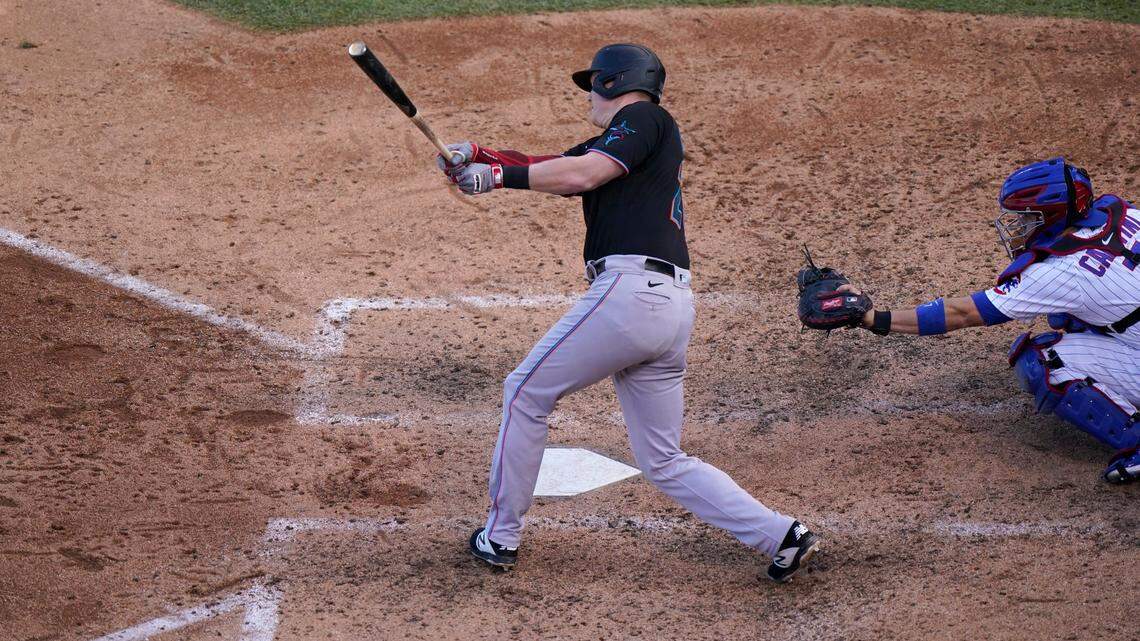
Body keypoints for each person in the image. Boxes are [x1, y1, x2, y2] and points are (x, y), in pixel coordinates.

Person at [436, 43, 819, 582]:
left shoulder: (645, 118)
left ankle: (500, 536)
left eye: (592, 84)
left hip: (630, 297)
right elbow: (555, 166)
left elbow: (582, 175)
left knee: (524, 392)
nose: (588, 96)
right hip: (669, 310)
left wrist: (496, 179)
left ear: (615, 83)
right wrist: (477, 155)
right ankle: (781, 534)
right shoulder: (627, 139)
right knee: (663, 460)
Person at [814, 157, 1140, 483]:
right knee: (1069, 316)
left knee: (1042, 361)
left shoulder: (1060, 271)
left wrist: (874, 318)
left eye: (1026, 218)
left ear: (1051, 217)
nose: (1017, 226)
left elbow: (963, 313)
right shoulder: (1124, 214)